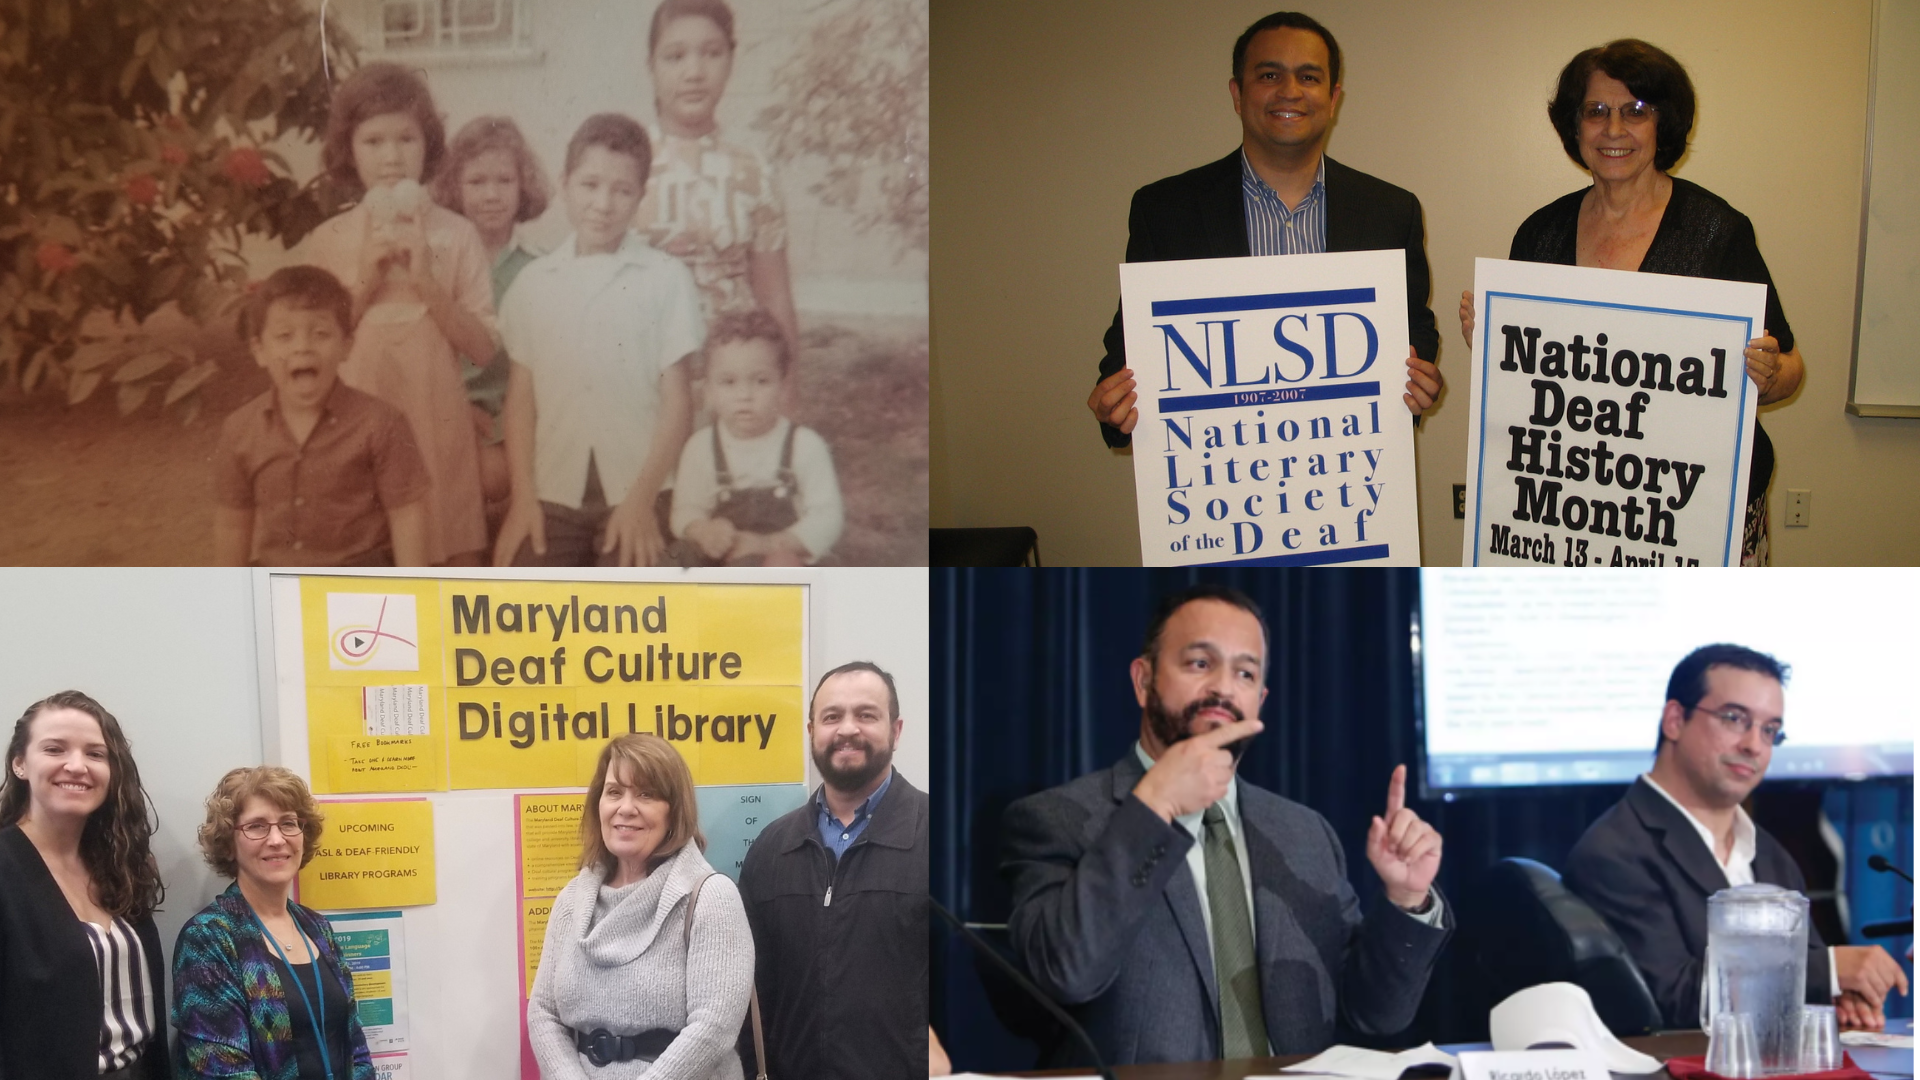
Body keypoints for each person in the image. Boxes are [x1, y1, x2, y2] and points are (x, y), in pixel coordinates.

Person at [1000, 584, 1448, 1066]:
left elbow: (1374, 1015)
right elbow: (1066, 972)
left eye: (1245, 673)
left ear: (1260, 698)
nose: (1223, 687)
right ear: (1143, 680)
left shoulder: (1304, 833)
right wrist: (1156, 805)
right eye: (1200, 664)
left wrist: (1405, 900)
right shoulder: (1057, 820)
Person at [1459, 40, 1804, 564]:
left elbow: (1791, 369)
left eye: (1635, 112)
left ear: (1662, 125)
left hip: (1701, 511)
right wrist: (1490, 344)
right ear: (1574, 127)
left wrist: (1769, 372)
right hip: (1576, 506)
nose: (1613, 130)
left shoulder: (1717, 232)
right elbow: (1531, 385)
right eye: (1595, 111)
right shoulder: (1540, 233)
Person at [1087, 11, 1444, 446]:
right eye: (1270, 74)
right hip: (1219, 479)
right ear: (1238, 94)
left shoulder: (1391, 210)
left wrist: (1418, 377)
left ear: (1332, 99)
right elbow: (1130, 351)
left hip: (1350, 473)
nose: (1290, 92)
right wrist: (1115, 409)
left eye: (1309, 77)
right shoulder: (1164, 211)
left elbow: (1414, 328)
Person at [1564, 645, 1909, 1032]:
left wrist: (1839, 996)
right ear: (1675, 720)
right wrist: (1828, 971)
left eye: (1770, 730)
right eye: (1734, 719)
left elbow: (1804, 984)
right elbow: (1666, 1000)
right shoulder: (1615, 852)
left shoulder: (1772, 855)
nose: (1754, 745)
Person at [299, 61, 497, 565]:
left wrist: (428, 283)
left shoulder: (457, 235)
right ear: (348, 149)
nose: (392, 157)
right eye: (374, 141)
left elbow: (484, 348)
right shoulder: (328, 241)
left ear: (428, 144)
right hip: (355, 427)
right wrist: (363, 279)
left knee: (444, 557)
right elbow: (311, 350)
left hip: (436, 422)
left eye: (406, 139)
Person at [495, 113, 706, 567]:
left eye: (622, 190)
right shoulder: (533, 283)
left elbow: (678, 402)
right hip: (553, 493)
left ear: (640, 196)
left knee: (635, 613)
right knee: (523, 605)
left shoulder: (665, 278)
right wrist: (523, 500)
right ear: (565, 182)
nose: (603, 204)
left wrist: (642, 501)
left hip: (640, 488)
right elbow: (521, 400)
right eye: (590, 185)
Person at [737, 662, 930, 1080]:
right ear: (811, 732)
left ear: (896, 731)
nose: (847, 729)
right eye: (831, 717)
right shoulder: (771, 851)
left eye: (865, 715)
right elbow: (748, 996)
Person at [526, 734, 753, 1079]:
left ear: (674, 811)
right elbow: (543, 1012)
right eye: (614, 791)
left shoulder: (711, 898)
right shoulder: (571, 901)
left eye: (646, 794)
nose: (626, 807)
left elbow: (715, 1026)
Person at [213, 264, 432, 566]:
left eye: (320, 334)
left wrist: (411, 599)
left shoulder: (382, 423)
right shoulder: (240, 429)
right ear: (260, 350)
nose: (303, 348)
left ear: (346, 346)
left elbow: (406, 516)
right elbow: (233, 524)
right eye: (285, 336)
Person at [0, 691, 168, 1080]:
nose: (76, 766)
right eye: (55, 749)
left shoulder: (121, 865)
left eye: (95, 754)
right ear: (20, 764)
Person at [172, 766, 375, 1078]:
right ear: (229, 843)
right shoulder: (208, 938)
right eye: (256, 827)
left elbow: (355, 1044)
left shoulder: (317, 927)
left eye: (288, 823)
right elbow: (223, 1071)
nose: (277, 839)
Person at [635, 0, 800, 358]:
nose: (694, 72)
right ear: (651, 66)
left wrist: (784, 399)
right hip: (643, 380)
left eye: (711, 53)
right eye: (675, 57)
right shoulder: (625, 163)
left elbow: (775, 297)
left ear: (731, 60)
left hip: (733, 384)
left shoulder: (754, 171)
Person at [431, 115, 556, 514]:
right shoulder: (438, 263)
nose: (491, 195)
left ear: (524, 186)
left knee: (500, 476)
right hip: (448, 408)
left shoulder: (539, 267)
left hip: (516, 412)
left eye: (504, 181)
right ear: (454, 187)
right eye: (477, 182)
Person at [669, 309, 843, 565]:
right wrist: (702, 530)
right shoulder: (701, 447)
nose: (745, 395)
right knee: (678, 559)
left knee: (780, 569)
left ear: (783, 387)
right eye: (728, 382)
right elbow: (685, 509)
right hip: (721, 555)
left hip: (781, 555)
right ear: (709, 391)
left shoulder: (804, 446)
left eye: (760, 381)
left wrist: (769, 544)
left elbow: (827, 517)